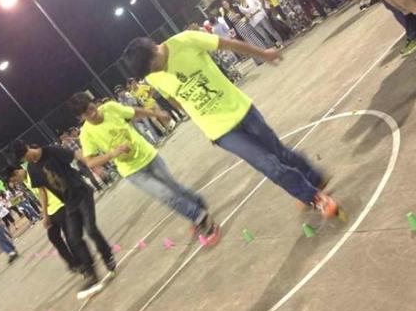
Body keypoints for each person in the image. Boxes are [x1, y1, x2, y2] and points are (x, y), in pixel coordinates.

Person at [122, 31, 341, 219]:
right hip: (220, 131)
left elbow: (228, 44)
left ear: (154, 50)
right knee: (268, 165)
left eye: (153, 67)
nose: (153, 73)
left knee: (280, 153)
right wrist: (202, 123)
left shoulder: (186, 40)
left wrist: (262, 53)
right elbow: (174, 99)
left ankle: (314, 178)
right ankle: (313, 197)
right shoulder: (153, 77)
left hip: (241, 110)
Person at [68, 92, 221, 244]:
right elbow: (90, 162)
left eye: (91, 108)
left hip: (149, 156)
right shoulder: (86, 135)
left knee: (173, 186)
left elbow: (135, 112)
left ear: (94, 102)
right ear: (81, 118)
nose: (92, 113)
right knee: (164, 194)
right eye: (86, 114)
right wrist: (112, 154)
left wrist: (157, 114)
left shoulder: (110, 108)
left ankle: (198, 202)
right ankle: (200, 216)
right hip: (132, 170)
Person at [8, 140, 114, 299]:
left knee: (91, 229)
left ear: (28, 149)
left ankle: (108, 256)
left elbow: (76, 154)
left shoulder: (51, 151)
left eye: (25, 157)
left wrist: (95, 167)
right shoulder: (32, 169)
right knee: (74, 239)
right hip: (69, 203)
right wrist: (45, 215)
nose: (26, 160)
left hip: (82, 194)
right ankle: (91, 273)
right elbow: (42, 192)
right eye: (23, 160)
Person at [4, 165, 81, 272]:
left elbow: (43, 194)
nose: (16, 183)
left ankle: (81, 262)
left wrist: (44, 215)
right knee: (54, 237)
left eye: (15, 180)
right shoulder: (25, 180)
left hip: (59, 206)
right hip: (50, 210)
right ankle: (73, 262)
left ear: (16, 172)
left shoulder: (33, 174)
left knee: (70, 237)